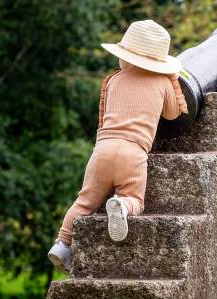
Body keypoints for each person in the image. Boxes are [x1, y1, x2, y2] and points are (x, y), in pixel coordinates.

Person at [47, 20, 188, 273]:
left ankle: (62, 243)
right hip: (133, 152)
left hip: (103, 149)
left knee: (84, 202)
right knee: (134, 198)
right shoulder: (163, 83)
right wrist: (173, 80)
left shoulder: (113, 80)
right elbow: (173, 113)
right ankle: (121, 206)